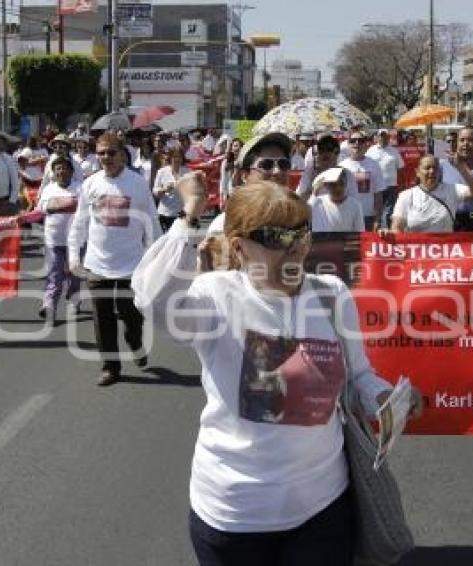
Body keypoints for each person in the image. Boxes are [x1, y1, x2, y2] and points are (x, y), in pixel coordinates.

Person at [132, 178, 420, 565]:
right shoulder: (215, 296)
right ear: (239, 246)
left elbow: (359, 375)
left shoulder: (331, 293)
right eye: (274, 236)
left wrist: (384, 397)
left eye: (301, 231)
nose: (295, 246)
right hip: (235, 513)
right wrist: (189, 215)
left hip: (322, 504)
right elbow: (153, 299)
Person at [67, 132, 161, 386]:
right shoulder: (90, 184)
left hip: (132, 265)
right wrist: (74, 255)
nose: (106, 157)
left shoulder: (137, 183)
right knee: (103, 318)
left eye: (111, 152)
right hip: (97, 265)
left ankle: (135, 341)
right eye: (101, 153)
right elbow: (80, 223)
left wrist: (155, 257)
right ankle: (110, 367)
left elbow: (151, 221)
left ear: (122, 154)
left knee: (132, 315)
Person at [205, 132, 292, 237]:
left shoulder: (297, 220)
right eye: (266, 165)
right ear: (245, 176)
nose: (277, 171)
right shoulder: (226, 225)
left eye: (284, 164)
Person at [36, 157, 82, 322]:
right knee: (54, 275)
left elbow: (87, 211)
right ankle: (49, 307)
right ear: (53, 173)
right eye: (58, 169)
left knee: (74, 275)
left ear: (71, 171)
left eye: (64, 169)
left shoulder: (80, 188)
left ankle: (74, 298)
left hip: (76, 241)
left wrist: (61, 204)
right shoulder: (48, 189)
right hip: (53, 240)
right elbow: (40, 210)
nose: (61, 172)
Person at [390, 154, 473, 234]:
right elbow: (397, 227)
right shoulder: (405, 196)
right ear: (417, 172)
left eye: (435, 168)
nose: (432, 171)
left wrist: (462, 169)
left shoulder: (452, 190)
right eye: (427, 168)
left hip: (445, 251)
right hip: (416, 252)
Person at [338, 130, 385, 230]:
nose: (357, 143)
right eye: (353, 140)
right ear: (348, 144)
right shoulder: (341, 166)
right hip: (347, 216)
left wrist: (378, 219)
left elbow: (378, 194)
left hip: (368, 217)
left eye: (361, 140)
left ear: (366, 144)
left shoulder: (374, 165)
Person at [295, 134, 357, 201]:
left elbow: (353, 201)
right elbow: (298, 199)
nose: (324, 153)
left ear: (336, 152)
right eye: (321, 149)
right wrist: (313, 189)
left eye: (328, 149)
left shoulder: (346, 175)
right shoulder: (310, 174)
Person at [366, 129, 405, 229]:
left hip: (391, 186)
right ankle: (375, 231)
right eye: (381, 136)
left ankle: (389, 231)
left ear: (388, 138)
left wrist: (400, 184)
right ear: (377, 138)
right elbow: (366, 167)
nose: (383, 138)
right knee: (376, 211)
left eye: (386, 136)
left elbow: (400, 168)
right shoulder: (371, 150)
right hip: (376, 186)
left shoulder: (394, 151)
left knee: (390, 212)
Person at [308, 167, 364, 233]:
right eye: (333, 185)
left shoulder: (355, 205)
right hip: (322, 242)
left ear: (346, 184)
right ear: (326, 186)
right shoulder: (317, 202)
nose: (338, 188)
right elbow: (306, 215)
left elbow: (360, 231)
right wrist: (315, 192)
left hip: (345, 242)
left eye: (341, 184)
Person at [153, 148, 190, 233]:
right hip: (165, 212)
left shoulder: (187, 171)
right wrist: (164, 189)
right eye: (175, 157)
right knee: (166, 240)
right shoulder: (162, 172)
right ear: (170, 158)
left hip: (181, 212)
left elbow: (191, 191)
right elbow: (155, 190)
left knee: (180, 239)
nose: (177, 159)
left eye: (179, 157)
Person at [218, 138, 243, 205]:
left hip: (243, 194)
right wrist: (221, 198)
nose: (237, 148)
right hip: (231, 194)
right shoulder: (226, 162)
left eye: (240, 146)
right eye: (235, 146)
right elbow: (223, 181)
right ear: (231, 148)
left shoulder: (245, 162)